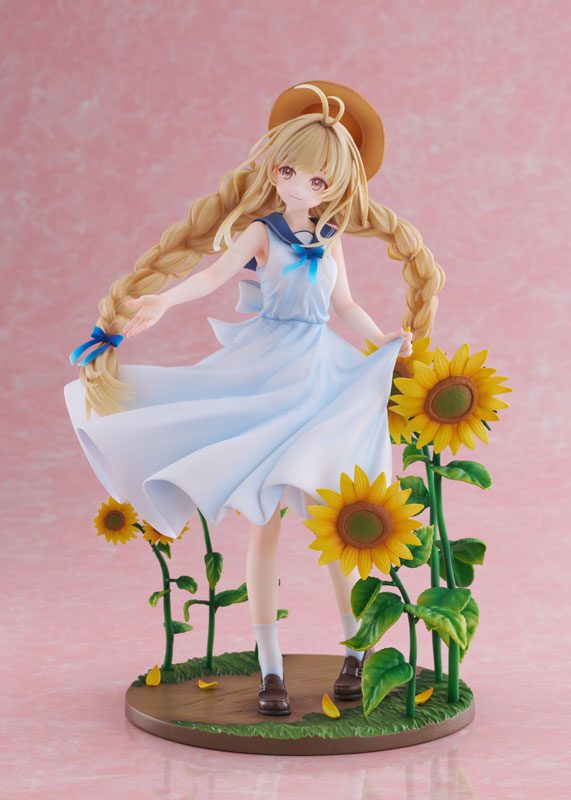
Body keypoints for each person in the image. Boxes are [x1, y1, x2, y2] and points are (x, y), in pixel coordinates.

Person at [64, 81, 444, 716]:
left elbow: (346, 304)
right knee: (264, 524)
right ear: (274, 170)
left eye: (315, 179)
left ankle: (355, 651)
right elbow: (213, 275)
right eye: (288, 171)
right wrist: (165, 298)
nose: (297, 185)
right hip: (268, 371)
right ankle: (270, 668)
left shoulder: (332, 237)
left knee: (336, 519)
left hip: (321, 376)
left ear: (335, 186)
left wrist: (385, 341)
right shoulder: (262, 232)